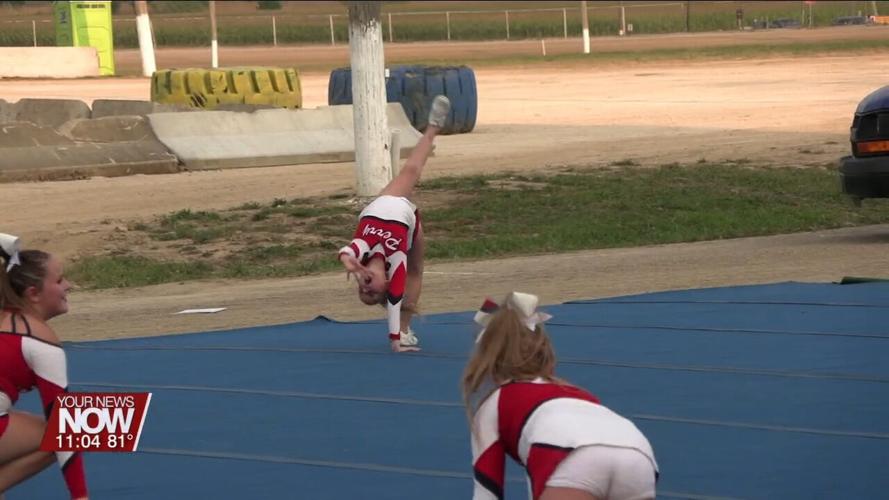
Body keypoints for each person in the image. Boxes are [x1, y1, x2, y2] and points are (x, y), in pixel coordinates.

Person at [463, 292, 658, 500]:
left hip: (572, 455)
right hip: (636, 450)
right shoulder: (576, 393)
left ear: (487, 359)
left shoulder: (494, 404)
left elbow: (487, 491)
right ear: (544, 350)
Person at [338, 95, 451, 353]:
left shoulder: (362, 254)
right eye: (372, 293)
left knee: (410, 170)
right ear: (386, 284)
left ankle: (433, 127)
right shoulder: (396, 264)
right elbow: (395, 299)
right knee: (416, 269)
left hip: (384, 204)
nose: (365, 288)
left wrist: (346, 259)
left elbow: (349, 250)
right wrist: (395, 342)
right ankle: (403, 328)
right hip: (408, 221)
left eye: (361, 291)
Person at [0, 233, 87, 500]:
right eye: (60, 280)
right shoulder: (40, 340)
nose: (69, 286)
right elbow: (65, 427)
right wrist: (80, 496)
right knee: (87, 426)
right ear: (33, 293)